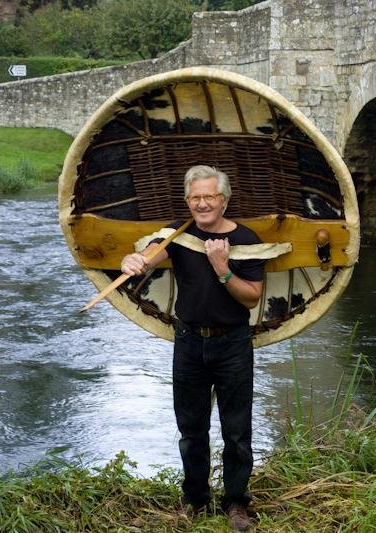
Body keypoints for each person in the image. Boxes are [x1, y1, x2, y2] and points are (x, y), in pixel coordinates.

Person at [120, 165, 264, 531]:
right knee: (191, 428)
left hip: (232, 343)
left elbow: (251, 298)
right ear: (188, 201)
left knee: (236, 430)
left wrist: (223, 268)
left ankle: (236, 504)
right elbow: (148, 255)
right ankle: (195, 499)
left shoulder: (246, 238)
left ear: (224, 200)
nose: (202, 204)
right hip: (188, 343)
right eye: (195, 197)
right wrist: (132, 260)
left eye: (209, 197)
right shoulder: (177, 234)